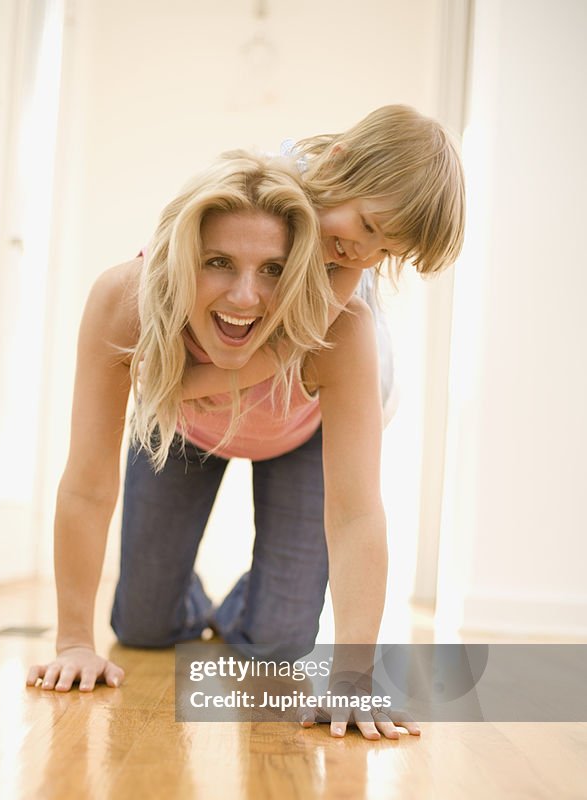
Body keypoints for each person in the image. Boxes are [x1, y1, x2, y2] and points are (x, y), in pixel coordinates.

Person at [26, 105, 465, 740]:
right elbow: (88, 485)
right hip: (185, 428)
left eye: (277, 272)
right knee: (143, 625)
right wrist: (72, 639)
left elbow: (356, 512)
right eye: (218, 264)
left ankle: (251, 601)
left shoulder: (342, 319)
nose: (244, 297)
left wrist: (353, 676)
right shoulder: (126, 298)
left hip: (298, 433)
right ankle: (184, 591)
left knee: (278, 645)